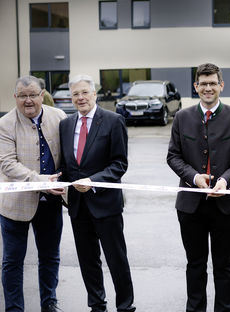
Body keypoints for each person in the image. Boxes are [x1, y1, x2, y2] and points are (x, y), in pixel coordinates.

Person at [167, 63, 230, 312]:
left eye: (212, 83)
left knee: (224, 265)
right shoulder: (182, 117)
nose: (208, 88)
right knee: (195, 264)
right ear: (195, 87)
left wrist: (226, 180)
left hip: (226, 205)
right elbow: (173, 156)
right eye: (203, 84)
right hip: (191, 206)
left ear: (221, 85)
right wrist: (194, 178)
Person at [59, 74, 136, 312]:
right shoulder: (66, 124)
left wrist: (93, 181)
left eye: (84, 92)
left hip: (105, 203)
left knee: (116, 259)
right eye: (75, 94)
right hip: (78, 206)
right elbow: (67, 164)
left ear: (95, 94)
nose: (80, 98)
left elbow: (119, 164)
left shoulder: (113, 121)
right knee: (87, 260)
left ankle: (125, 306)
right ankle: (96, 304)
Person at [0, 76, 66, 312]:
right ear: (15, 97)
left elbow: (68, 155)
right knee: (12, 262)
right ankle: (14, 308)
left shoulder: (59, 117)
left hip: (52, 201)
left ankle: (49, 302)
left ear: (42, 95)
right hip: (15, 205)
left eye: (32, 95)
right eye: (22, 96)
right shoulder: (5, 124)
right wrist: (39, 181)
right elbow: (7, 164)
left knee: (50, 257)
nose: (28, 101)